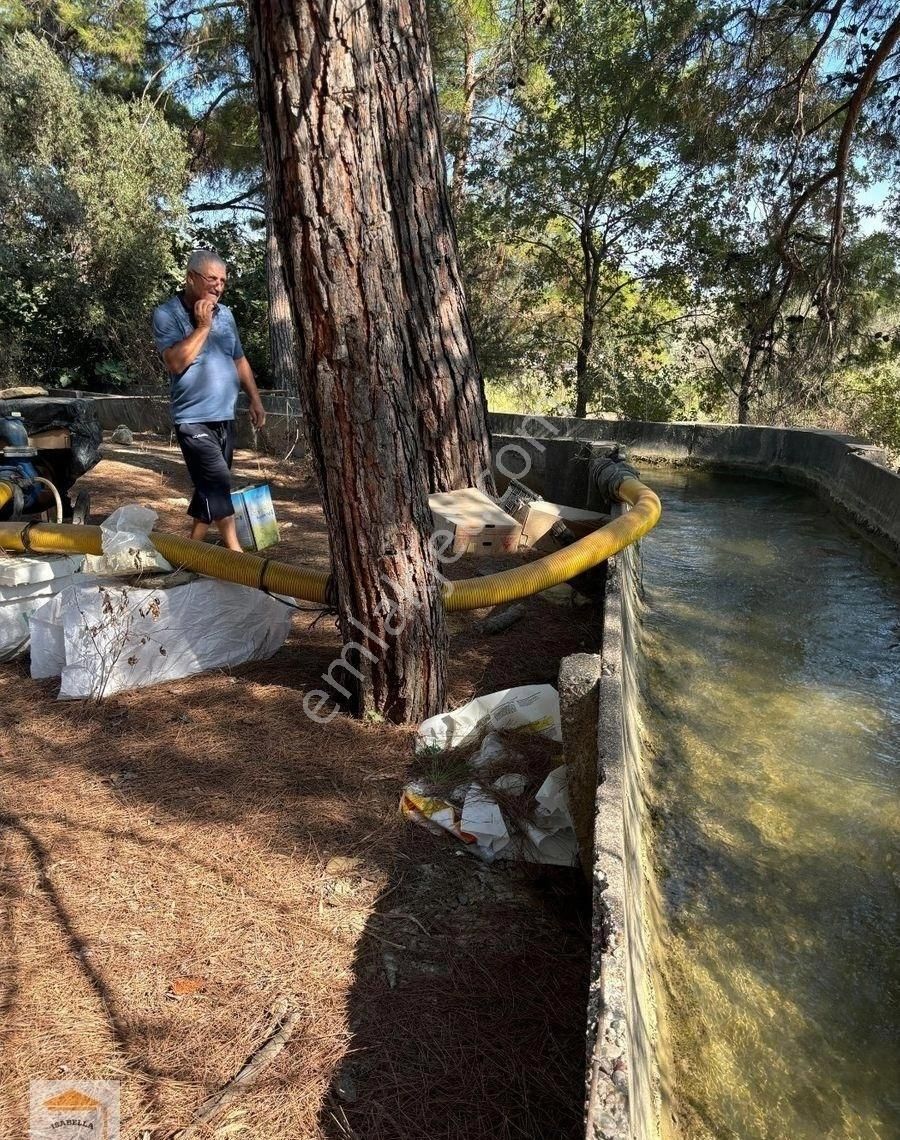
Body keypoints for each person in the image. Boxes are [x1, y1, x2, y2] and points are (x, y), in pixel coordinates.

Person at [152, 250, 267, 551]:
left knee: (209, 486)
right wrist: (202, 327)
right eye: (212, 279)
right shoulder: (167, 314)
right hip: (193, 418)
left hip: (224, 416)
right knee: (217, 482)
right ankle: (236, 553)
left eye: (223, 281)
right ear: (191, 278)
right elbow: (176, 363)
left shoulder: (226, 314)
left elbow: (239, 359)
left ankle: (191, 551)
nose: (218, 286)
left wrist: (255, 399)